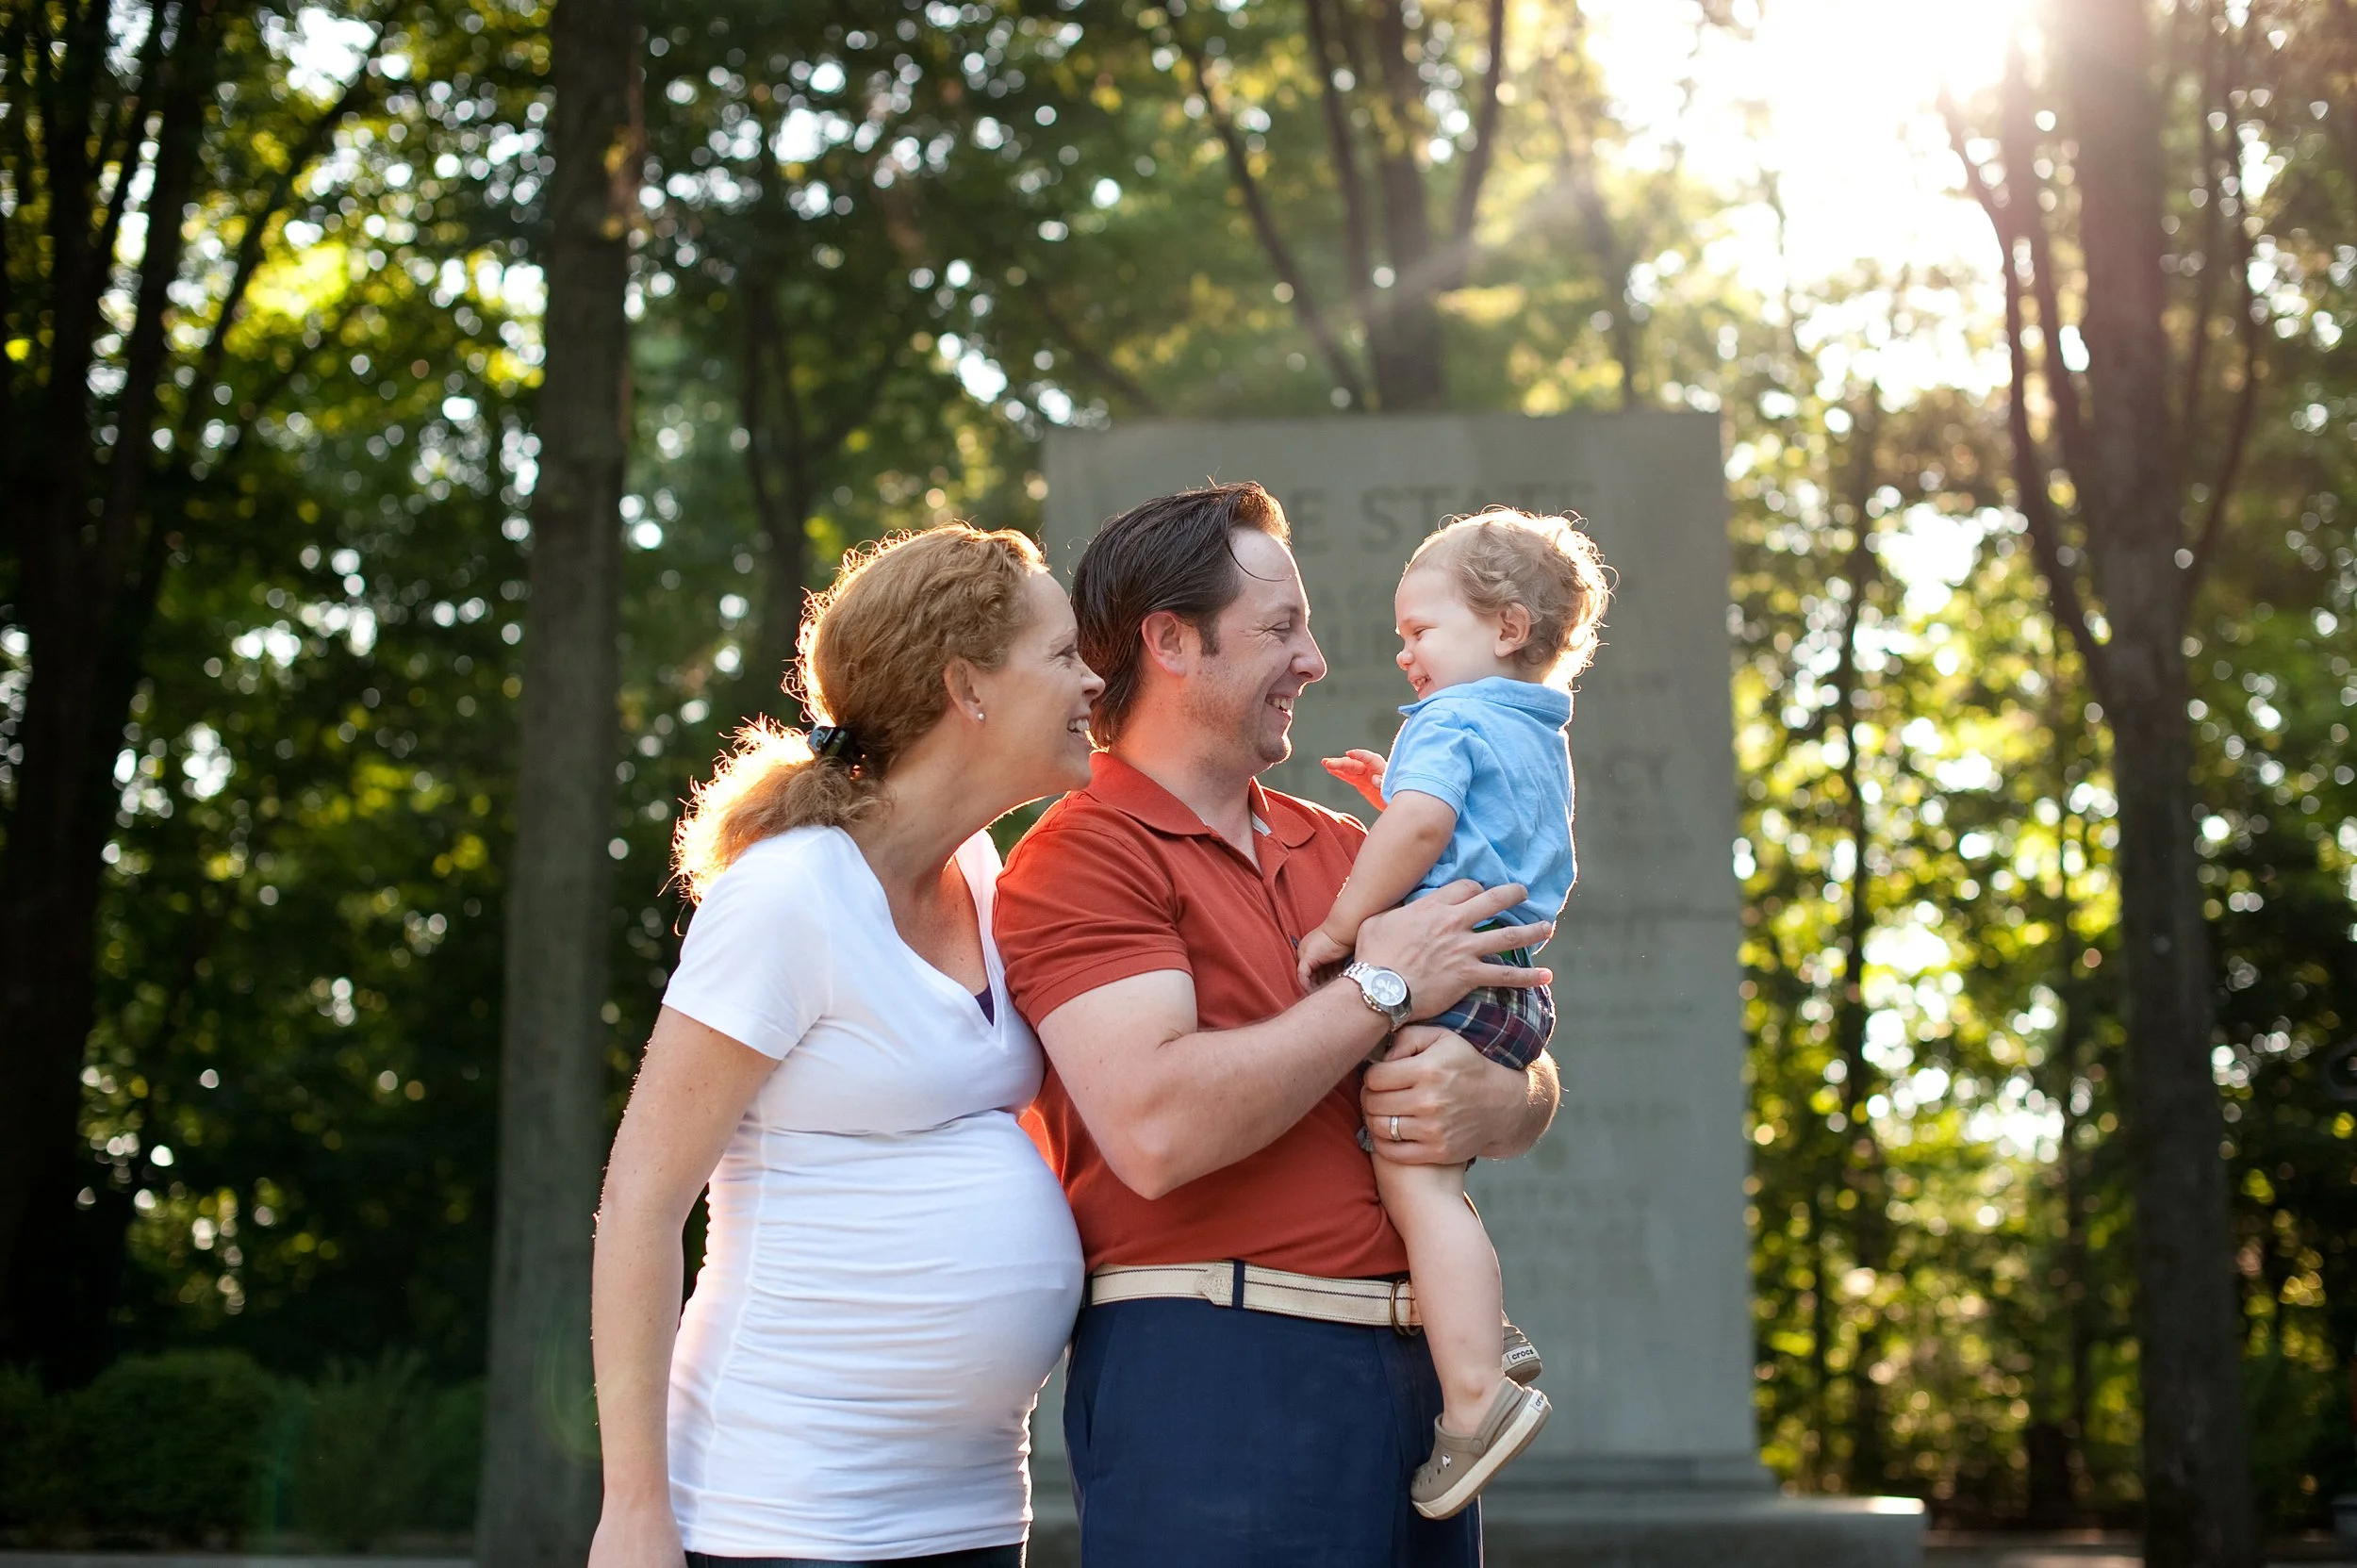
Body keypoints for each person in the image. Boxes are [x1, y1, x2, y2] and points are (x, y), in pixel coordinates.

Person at [994, 482, 1562, 1567]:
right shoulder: (1081, 853)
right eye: (1280, 629)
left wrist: (1501, 1100)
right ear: (1171, 641)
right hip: (1219, 1377)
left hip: (1418, 1393)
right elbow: (1157, 1131)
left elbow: (1520, 1042)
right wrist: (1376, 992)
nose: (1315, 661)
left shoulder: (1350, 851)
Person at [586, 525, 1103, 1568]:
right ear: (969, 686)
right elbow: (641, 1205)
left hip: (969, 1514)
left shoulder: (985, 873)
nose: (1093, 679)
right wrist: (634, 1512)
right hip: (782, 1515)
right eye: (1060, 654)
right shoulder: (789, 895)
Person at [1296, 507, 1611, 1519]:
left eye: (1420, 631)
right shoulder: (1532, 722)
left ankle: (1475, 1397)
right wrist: (1394, 793)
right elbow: (1466, 823)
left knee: (1413, 1184)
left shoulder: (1449, 719)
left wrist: (1343, 922)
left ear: (1506, 626)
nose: (1404, 653)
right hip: (1513, 982)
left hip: (1456, 979)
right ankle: (1480, 1322)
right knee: (1433, 1179)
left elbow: (1429, 824)